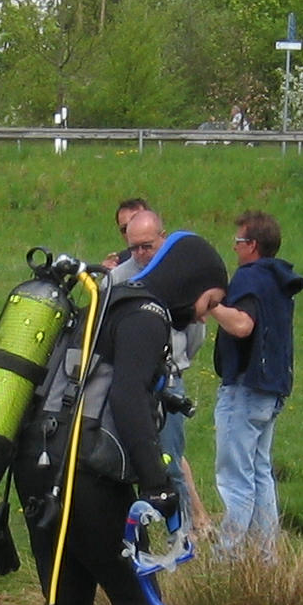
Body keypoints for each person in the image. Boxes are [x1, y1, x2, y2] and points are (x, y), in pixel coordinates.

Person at [18, 230, 229, 605]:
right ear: (193, 282)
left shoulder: (107, 300)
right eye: (210, 301)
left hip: (38, 464)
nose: (205, 315)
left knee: (65, 603)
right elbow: (131, 398)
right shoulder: (146, 314)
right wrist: (156, 483)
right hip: (84, 474)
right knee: (136, 599)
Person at [107, 200, 212, 535]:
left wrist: (177, 363)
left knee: (171, 461)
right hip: (128, 383)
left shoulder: (182, 277)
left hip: (167, 383)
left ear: (163, 238)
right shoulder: (117, 280)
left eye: (147, 247)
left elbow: (195, 331)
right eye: (134, 248)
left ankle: (183, 535)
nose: (140, 254)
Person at [209, 210, 303, 542]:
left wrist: (211, 305)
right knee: (260, 472)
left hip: (245, 387)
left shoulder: (249, 276)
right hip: (272, 388)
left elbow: (242, 325)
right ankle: (264, 555)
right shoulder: (278, 279)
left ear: (251, 245)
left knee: (235, 477)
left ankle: (229, 555)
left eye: (238, 241)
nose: (234, 248)